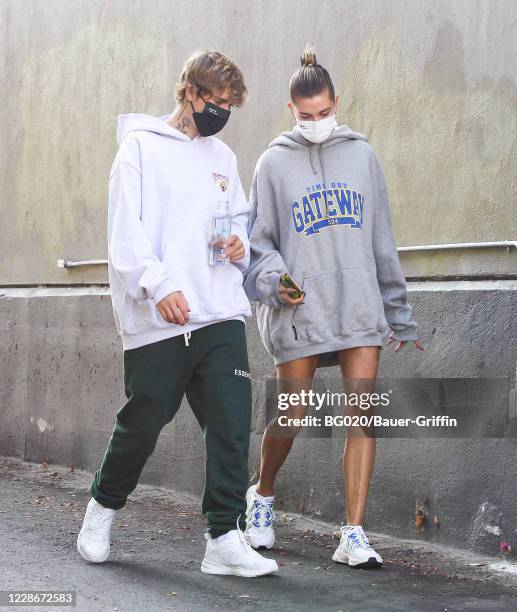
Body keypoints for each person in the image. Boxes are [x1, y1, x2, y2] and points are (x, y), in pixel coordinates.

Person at [76, 49, 278, 578]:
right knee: (144, 422)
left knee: (233, 422)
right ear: (189, 92)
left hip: (218, 311)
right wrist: (157, 284)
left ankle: (223, 538)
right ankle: (101, 508)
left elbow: (238, 220)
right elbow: (125, 233)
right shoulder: (139, 149)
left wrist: (238, 244)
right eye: (215, 100)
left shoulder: (223, 159)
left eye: (230, 104)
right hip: (160, 315)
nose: (222, 112)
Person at [243, 46, 424, 569]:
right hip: (300, 310)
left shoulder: (362, 156)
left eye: (324, 113)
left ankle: (353, 533)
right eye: (306, 116)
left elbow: (381, 240)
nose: (317, 123)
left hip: (358, 304)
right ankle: (263, 495)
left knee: (361, 417)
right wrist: (279, 283)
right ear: (291, 110)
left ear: (336, 103)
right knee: (292, 413)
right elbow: (259, 243)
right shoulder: (273, 163)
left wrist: (399, 313)